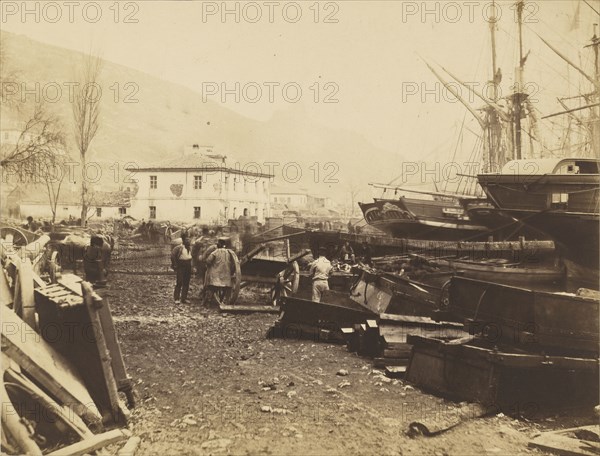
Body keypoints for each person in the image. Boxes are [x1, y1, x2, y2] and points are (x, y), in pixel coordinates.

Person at [203, 238, 238, 306]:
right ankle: (228, 302)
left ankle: (207, 302)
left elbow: (208, 261)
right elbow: (233, 262)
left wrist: (209, 266)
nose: (217, 244)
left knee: (212, 287)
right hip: (226, 275)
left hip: (216, 274)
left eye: (218, 243)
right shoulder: (229, 252)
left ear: (220, 244)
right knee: (227, 288)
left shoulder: (215, 252)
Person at [171, 236, 193, 304]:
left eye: (189, 241)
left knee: (186, 282)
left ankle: (184, 298)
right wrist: (175, 264)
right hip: (181, 265)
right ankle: (176, 298)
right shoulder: (179, 248)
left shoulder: (190, 248)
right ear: (183, 241)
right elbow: (172, 255)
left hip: (188, 265)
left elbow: (191, 257)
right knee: (179, 281)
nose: (188, 242)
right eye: (186, 240)